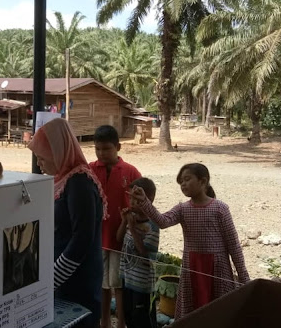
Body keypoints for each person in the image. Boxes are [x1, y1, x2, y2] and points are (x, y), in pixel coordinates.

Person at [128, 163, 249, 319]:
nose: (183, 184)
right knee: (193, 313)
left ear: (203, 181)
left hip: (217, 268)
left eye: (186, 179)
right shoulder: (182, 209)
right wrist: (145, 201)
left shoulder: (220, 209)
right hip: (192, 267)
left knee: (218, 313)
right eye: (180, 182)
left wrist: (243, 277)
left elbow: (233, 245)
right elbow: (163, 221)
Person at [28, 118, 106, 327]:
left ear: (58, 152)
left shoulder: (79, 183)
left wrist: (51, 280)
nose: (39, 163)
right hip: (65, 276)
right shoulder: (64, 179)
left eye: (42, 157)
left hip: (79, 281)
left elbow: (81, 239)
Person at [89, 125, 141, 328]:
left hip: (120, 238)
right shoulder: (90, 169)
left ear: (118, 147)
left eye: (106, 149)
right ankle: (104, 322)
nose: (101, 153)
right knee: (100, 283)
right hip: (97, 238)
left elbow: (142, 201)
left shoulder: (131, 171)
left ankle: (121, 323)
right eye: (98, 149)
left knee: (118, 284)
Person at [117, 178, 159, 328]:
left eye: (136, 199)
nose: (132, 203)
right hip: (128, 278)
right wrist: (124, 222)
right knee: (129, 316)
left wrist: (132, 228)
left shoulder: (153, 225)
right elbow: (119, 238)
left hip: (142, 284)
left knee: (142, 320)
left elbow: (144, 253)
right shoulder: (132, 219)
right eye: (130, 198)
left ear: (149, 199)